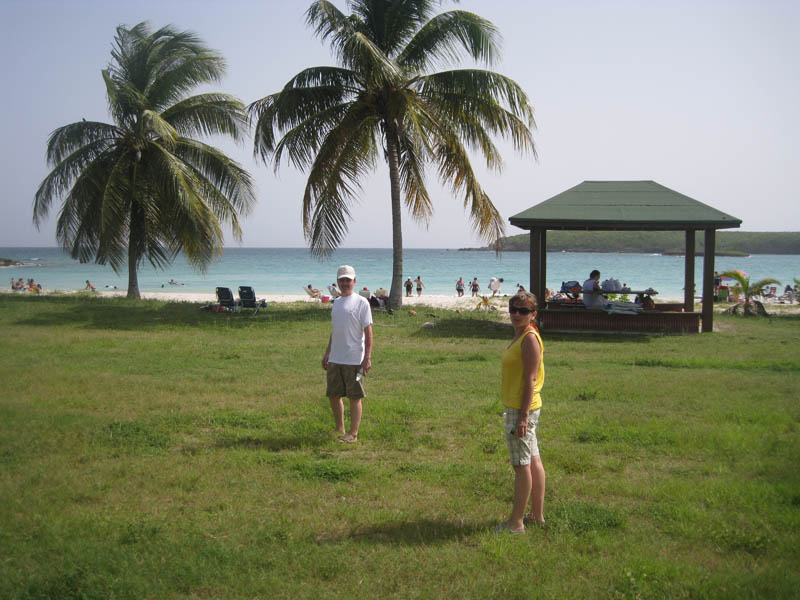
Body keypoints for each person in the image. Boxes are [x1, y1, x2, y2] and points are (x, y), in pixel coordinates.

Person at [496, 290, 546, 533]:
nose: (517, 314)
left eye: (523, 311)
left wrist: (523, 416)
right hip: (522, 406)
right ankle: (536, 516)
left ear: (533, 314)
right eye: (513, 309)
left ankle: (516, 523)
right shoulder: (521, 335)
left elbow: (530, 379)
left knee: (521, 465)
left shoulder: (529, 339)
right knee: (533, 460)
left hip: (521, 408)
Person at [322, 265, 373, 444]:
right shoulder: (336, 303)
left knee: (354, 396)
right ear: (338, 282)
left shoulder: (361, 302)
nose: (345, 283)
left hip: (354, 360)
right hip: (336, 358)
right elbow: (335, 331)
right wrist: (327, 352)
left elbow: (368, 332)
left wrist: (367, 358)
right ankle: (340, 428)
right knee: (334, 395)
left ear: (354, 281)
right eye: (342, 280)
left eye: (348, 280)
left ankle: (353, 433)